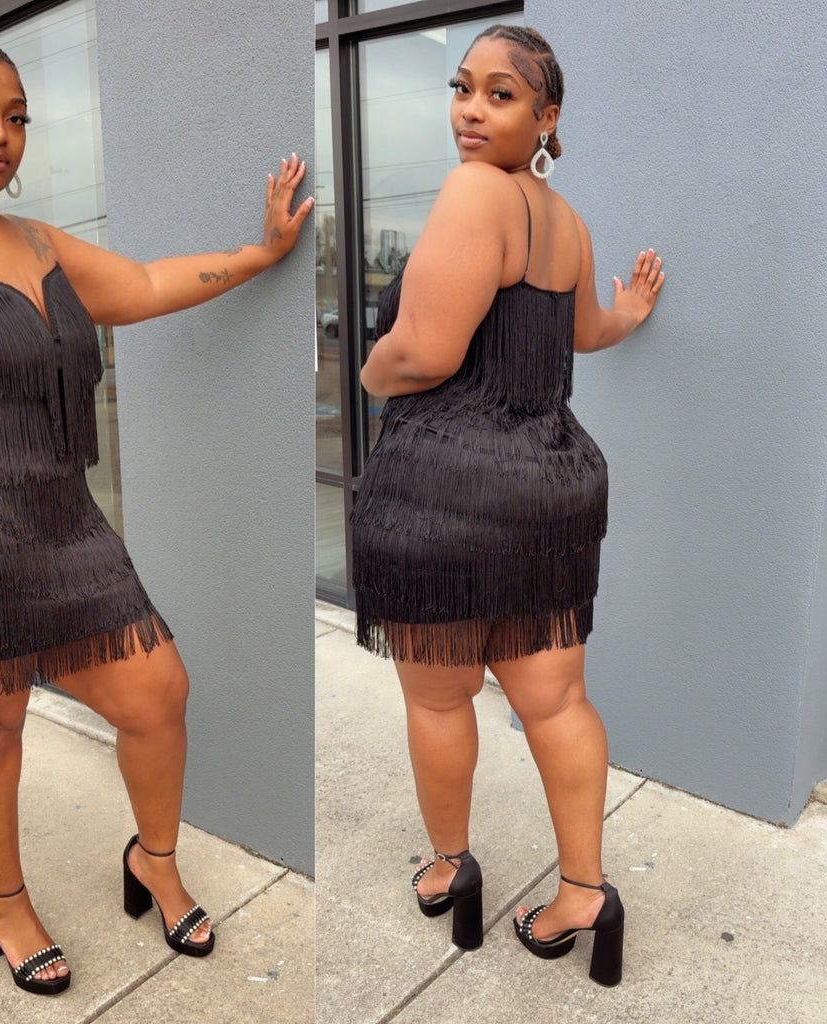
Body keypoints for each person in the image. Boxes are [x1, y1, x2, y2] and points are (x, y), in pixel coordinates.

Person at [0, 40, 311, 996]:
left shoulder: (42, 243)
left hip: (60, 527)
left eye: (16, 117)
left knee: (157, 692)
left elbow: (148, 284)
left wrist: (259, 255)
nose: (0, 132)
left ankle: (154, 862)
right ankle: (3, 900)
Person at [350, 25, 663, 987]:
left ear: (546, 115)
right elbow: (586, 332)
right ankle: (585, 893)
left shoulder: (474, 192)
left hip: (444, 489)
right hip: (549, 487)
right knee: (558, 700)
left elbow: (425, 352)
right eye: (462, 88)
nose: (471, 111)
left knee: (440, 697)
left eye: (500, 94)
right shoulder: (565, 222)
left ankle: (452, 868)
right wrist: (633, 312)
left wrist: (368, 374)